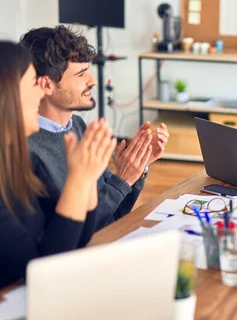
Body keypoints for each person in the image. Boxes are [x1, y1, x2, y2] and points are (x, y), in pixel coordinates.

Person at [20, 25, 169, 231]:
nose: (92, 80)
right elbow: (71, 235)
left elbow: (112, 214)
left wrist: (138, 165)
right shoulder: (26, 152)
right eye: (81, 74)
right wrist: (123, 178)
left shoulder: (78, 126)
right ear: (47, 85)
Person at [0, 41, 116, 289]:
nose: (42, 93)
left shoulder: (11, 162)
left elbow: (75, 238)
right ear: (7, 95)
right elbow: (44, 270)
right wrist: (80, 179)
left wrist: (88, 177)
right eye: (34, 84)